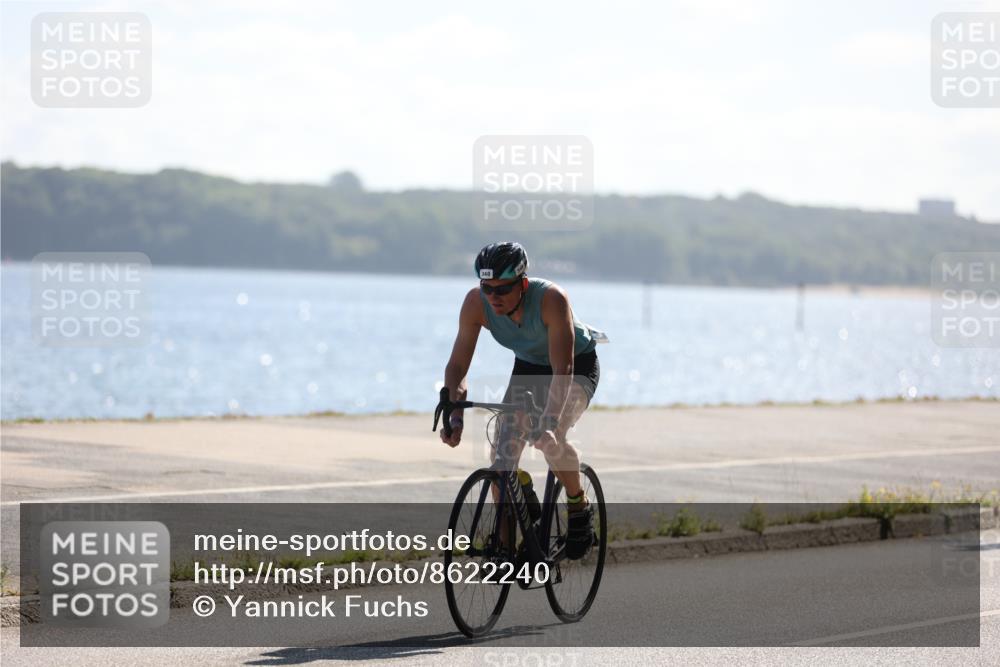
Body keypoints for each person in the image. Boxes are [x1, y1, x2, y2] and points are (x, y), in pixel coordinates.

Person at [439, 241, 604, 559]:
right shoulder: (476, 304)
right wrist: (454, 413)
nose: (493, 297)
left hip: (574, 365)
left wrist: (552, 422)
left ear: (523, 284)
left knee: (549, 441)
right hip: (528, 366)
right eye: (487, 288)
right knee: (502, 458)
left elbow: (563, 367)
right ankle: (503, 546)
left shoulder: (551, 299)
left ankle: (578, 505)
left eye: (502, 289)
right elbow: (458, 366)